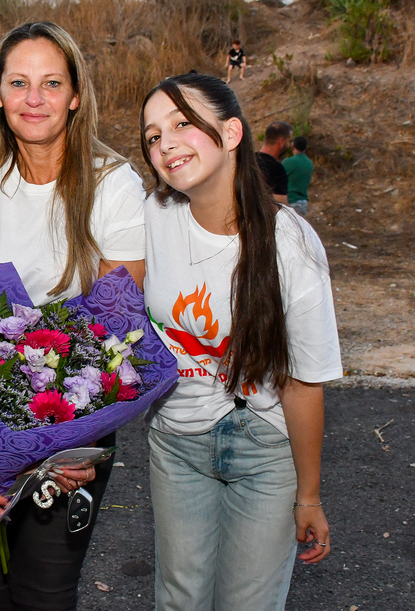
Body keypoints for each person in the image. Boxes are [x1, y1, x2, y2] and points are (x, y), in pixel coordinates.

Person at [0, 21, 147, 611]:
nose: (34, 98)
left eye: (52, 83)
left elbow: (116, 328)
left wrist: (74, 445)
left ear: (75, 95)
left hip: (72, 422)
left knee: (44, 594)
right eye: (19, 83)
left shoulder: (113, 184)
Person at [139, 73, 342, 610]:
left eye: (182, 124)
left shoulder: (291, 243)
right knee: (179, 597)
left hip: (266, 448)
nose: (166, 144)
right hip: (177, 439)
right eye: (154, 136)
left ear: (232, 133)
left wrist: (308, 496)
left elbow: (302, 382)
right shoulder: (151, 217)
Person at [256, 121, 291, 204]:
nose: (290, 145)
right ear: (282, 141)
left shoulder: (247, 160)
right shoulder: (277, 169)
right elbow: (281, 202)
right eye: (289, 141)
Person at [283, 136, 313, 216]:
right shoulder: (309, 163)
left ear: (292, 146)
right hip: (304, 202)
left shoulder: (288, 162)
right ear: (305, 148)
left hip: (292, 200)